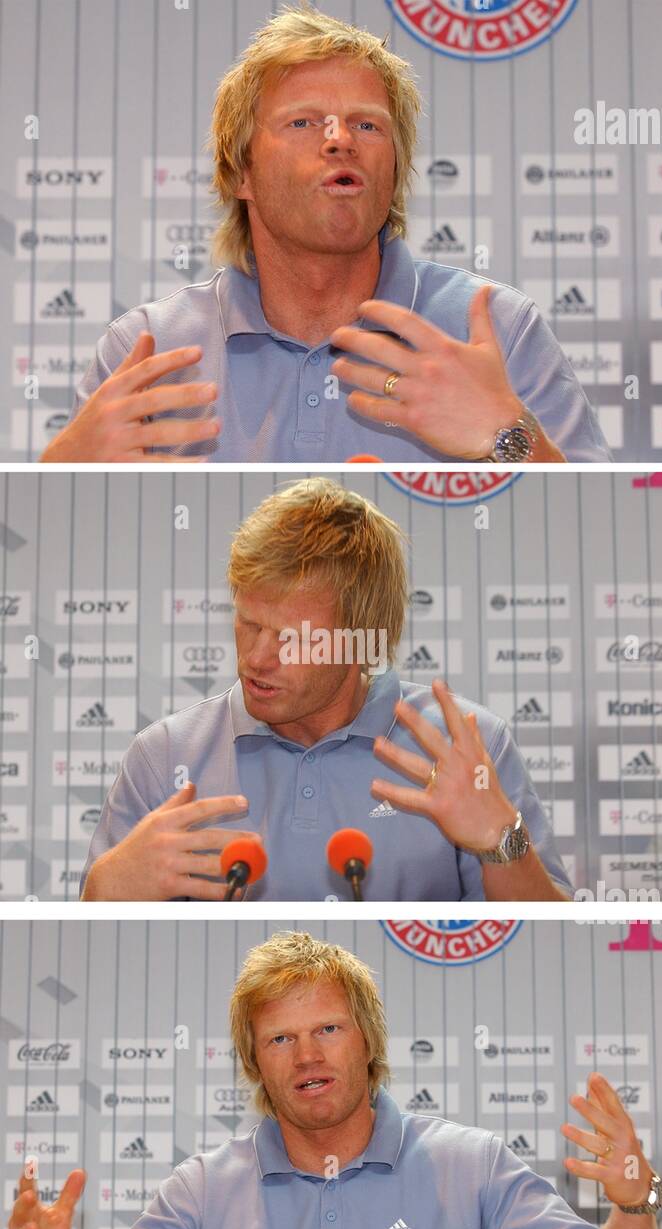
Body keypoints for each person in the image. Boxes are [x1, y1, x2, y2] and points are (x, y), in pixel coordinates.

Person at [40, 4, 611, 466]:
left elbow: (601, 540)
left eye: (367, 124)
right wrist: (61, 478)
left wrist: (508, 440)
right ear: (241, 173)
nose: (340, 139)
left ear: (395, 170)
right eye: (303, 121)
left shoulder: (499, 330)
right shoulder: (147, 350)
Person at [8, 932, 662, 1229]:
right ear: (253, 1062)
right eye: (279, 1039)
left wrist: (633, 1211)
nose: (307, 1056)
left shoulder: (469, 1165)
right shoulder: (199, 1193)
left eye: (327, 1028)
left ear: (369, 1040)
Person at [78, 477, 572, 903]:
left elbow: (550, 941)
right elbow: (100, 939)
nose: (256, 658)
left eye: (293, 639)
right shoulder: (164, 758)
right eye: (249, 624)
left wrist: (499, 842)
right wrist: (105, 889)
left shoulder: (469, 748)